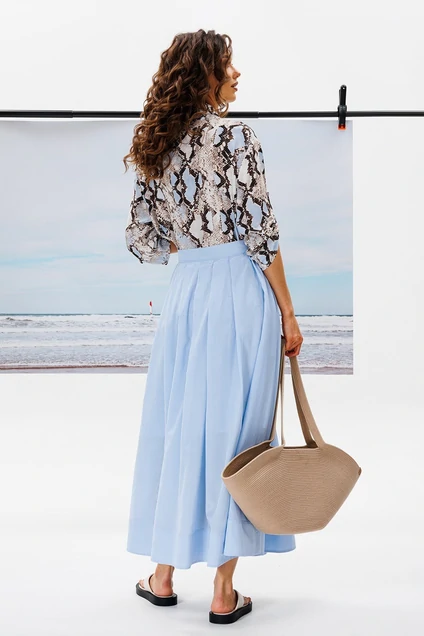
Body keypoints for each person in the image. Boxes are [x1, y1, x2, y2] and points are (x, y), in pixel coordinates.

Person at [122, 29, 304, 625]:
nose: (237, 74)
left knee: (180, 426)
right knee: (237, 435)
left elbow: (143, 240)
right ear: (204, 75)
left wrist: (191, 245)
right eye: (228, 65)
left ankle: (163, 576)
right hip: (240, 293)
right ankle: (224, 592)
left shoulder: (155, 144)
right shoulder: (237, 137)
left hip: (188, 293)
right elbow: (262, 232)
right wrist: (288, 312)